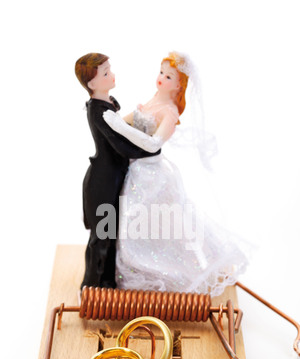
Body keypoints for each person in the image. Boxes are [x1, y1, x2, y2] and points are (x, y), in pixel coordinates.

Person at [103, 52, 249, 297]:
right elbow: (130, 121)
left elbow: (153, 143)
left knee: (150, 220)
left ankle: (160, 269)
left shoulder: (170, 112)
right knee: (134, 222)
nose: (161, 78)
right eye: (161, 72)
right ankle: (135, 266)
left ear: (179, 85)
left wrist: (119, 127)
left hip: (152, 174)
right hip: (135, 170)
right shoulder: (152, 100)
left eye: (168, 76)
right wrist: (113, 120)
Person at [75, 53, 161, 291]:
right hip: (102, 185)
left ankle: (108, 283)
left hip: (110, 180)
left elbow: (123, 130)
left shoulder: (107, 105)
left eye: (109, 69)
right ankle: (91, 288)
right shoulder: (101, 112)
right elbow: (121, 146)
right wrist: (151, 150)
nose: (111, 75)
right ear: (92, 84)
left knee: (109, 237)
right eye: (105, 73)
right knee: (101, 238)